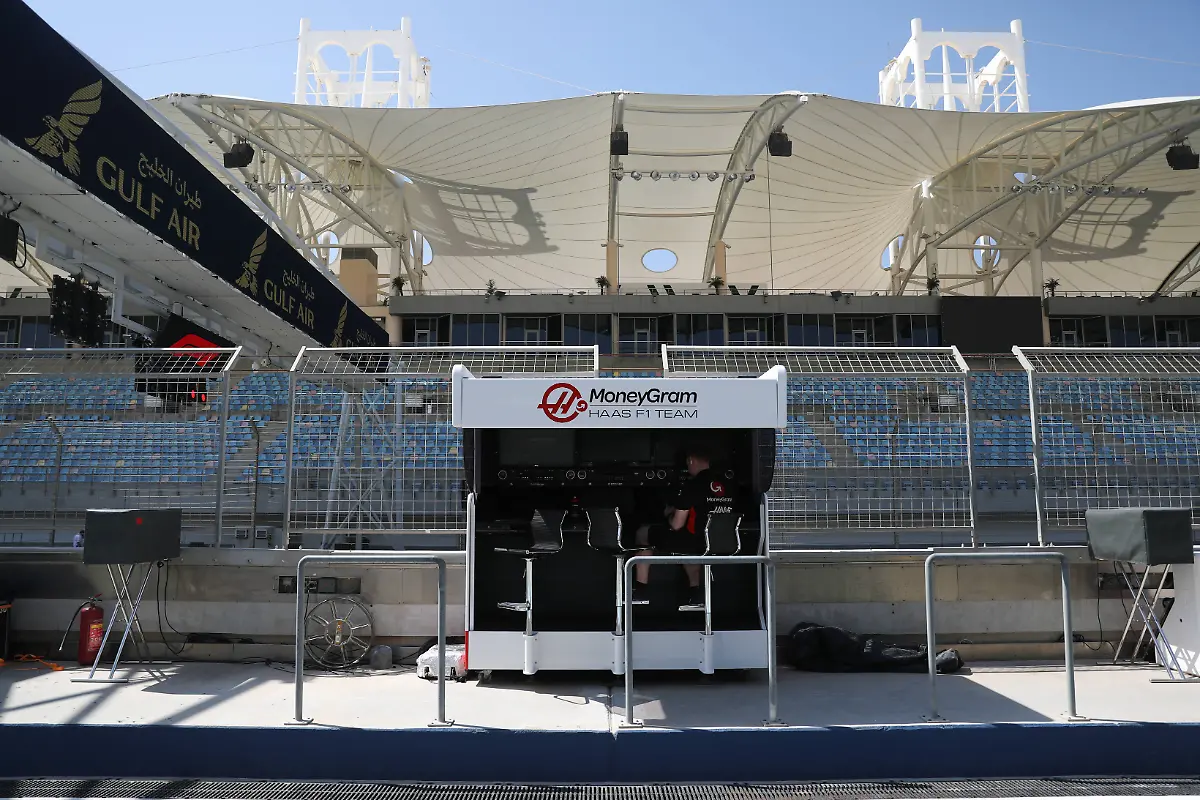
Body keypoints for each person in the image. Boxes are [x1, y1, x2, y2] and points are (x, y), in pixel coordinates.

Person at [632, 443, 734, 607]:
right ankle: (696, 594)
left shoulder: (693, 485)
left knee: (643, 533)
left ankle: (640, 591)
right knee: (692, 546)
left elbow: (677, 525)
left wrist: (670, 513)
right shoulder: (727, 484)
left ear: (691, 460)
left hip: (695, 541)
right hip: (725, 541)